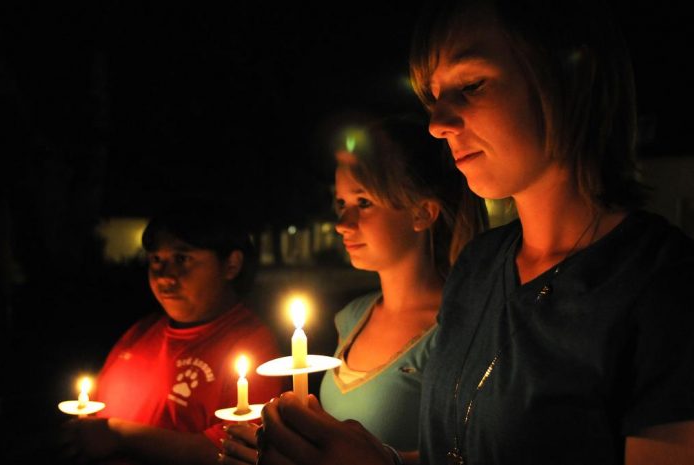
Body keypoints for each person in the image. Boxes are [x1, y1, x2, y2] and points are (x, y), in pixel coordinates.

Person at [255, 1, 694, 464]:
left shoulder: (663, 288)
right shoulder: (478, 267)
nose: (437, 124)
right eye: (433, 97)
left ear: (569, 79)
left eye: (471, 86)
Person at [219, 114, 487, 464]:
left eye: (363, 203)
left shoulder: (460, 324)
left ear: (422, 213)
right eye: (341, 204)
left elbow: (481, 449)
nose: (343, 224)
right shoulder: (351, 317)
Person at [58, 197, 284, 465]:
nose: (165, 275)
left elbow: (231, 450)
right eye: (156, 259)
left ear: (231, 265)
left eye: (182, 258)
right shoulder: (140, 333)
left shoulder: (252, 345)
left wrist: (118, 434)